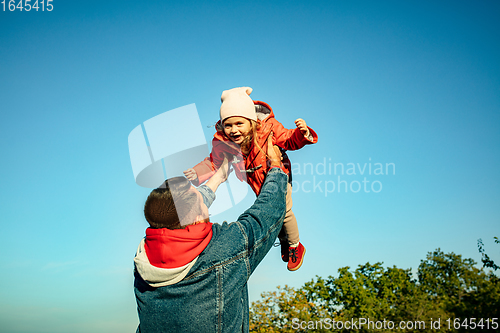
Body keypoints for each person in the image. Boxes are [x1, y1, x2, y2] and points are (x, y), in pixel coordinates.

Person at [134, 136, 288, 332]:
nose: (201, 194)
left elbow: (185, 212)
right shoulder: (226, 246)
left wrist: (219, 176)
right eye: (198, 195)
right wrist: (276, 167)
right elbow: (267, 212)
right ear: (197, 216)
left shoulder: (144, 257)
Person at [184, 87, 318, 271]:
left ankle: (295, 245)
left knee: (285, 211)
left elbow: (288, 139)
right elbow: (214, 161)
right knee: (271, 213)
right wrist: (198, 172)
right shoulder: (224, 141)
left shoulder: (268, 128)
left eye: (239, 123)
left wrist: (302, 134)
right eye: (228, 125)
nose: (233, 130)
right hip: (257, 182)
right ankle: (284, 241)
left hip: (279, 175)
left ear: (251, 120)